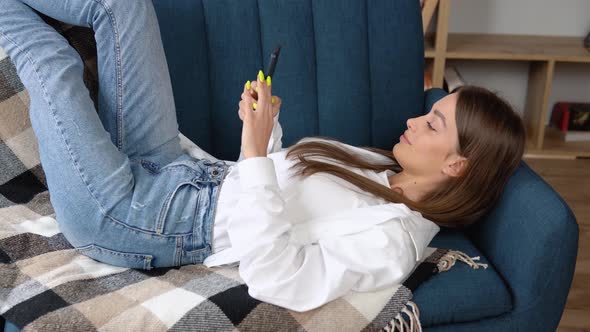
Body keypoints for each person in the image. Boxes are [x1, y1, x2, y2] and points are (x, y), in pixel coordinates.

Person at [0, 0, 525, 312]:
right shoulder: (380, 168)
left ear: (458, 165)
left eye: (433, 123)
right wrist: (267, 131)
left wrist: (252, 153)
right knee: (121, 6)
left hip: (134, 219)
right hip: (180, 170)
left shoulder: (392, 239)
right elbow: (282, 185)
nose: (413, 120)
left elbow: (280, 278)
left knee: (52, 64)